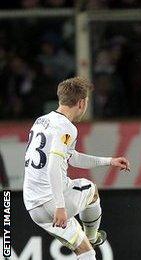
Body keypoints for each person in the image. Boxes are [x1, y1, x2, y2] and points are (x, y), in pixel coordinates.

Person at [23, 77, 130, 260]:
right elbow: (54, 166)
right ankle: (93, 236)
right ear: (81, 103)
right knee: (91, 190)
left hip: (32, 204)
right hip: (52, 202)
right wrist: (60, 206)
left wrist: (109, 161)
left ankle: (90, 241)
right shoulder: (67, 127)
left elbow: (72, 157)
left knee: (87, 253)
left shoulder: (41, 121)